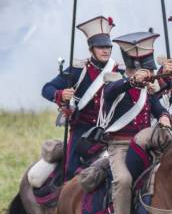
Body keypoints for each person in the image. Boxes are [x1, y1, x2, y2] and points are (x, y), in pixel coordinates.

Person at [100, 32, 170, 214]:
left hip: (147, 145)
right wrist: (131, 81)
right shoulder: (115, 84)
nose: (149, 74)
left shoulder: (147, 89)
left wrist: (164, 116)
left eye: (150, 71)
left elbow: (157, 108)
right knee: (123, 180)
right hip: (120, 146)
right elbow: (113, 90)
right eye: (145, 70)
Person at [41, 16, 121, 178]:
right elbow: (47, 89)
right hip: (83, 129)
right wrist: (61, 94)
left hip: (112, 129)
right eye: (100, 47)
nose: (106, 50)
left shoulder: (118, 70)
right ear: (91, 48)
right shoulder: (78, 70)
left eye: (108, 47)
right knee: (70, 170)